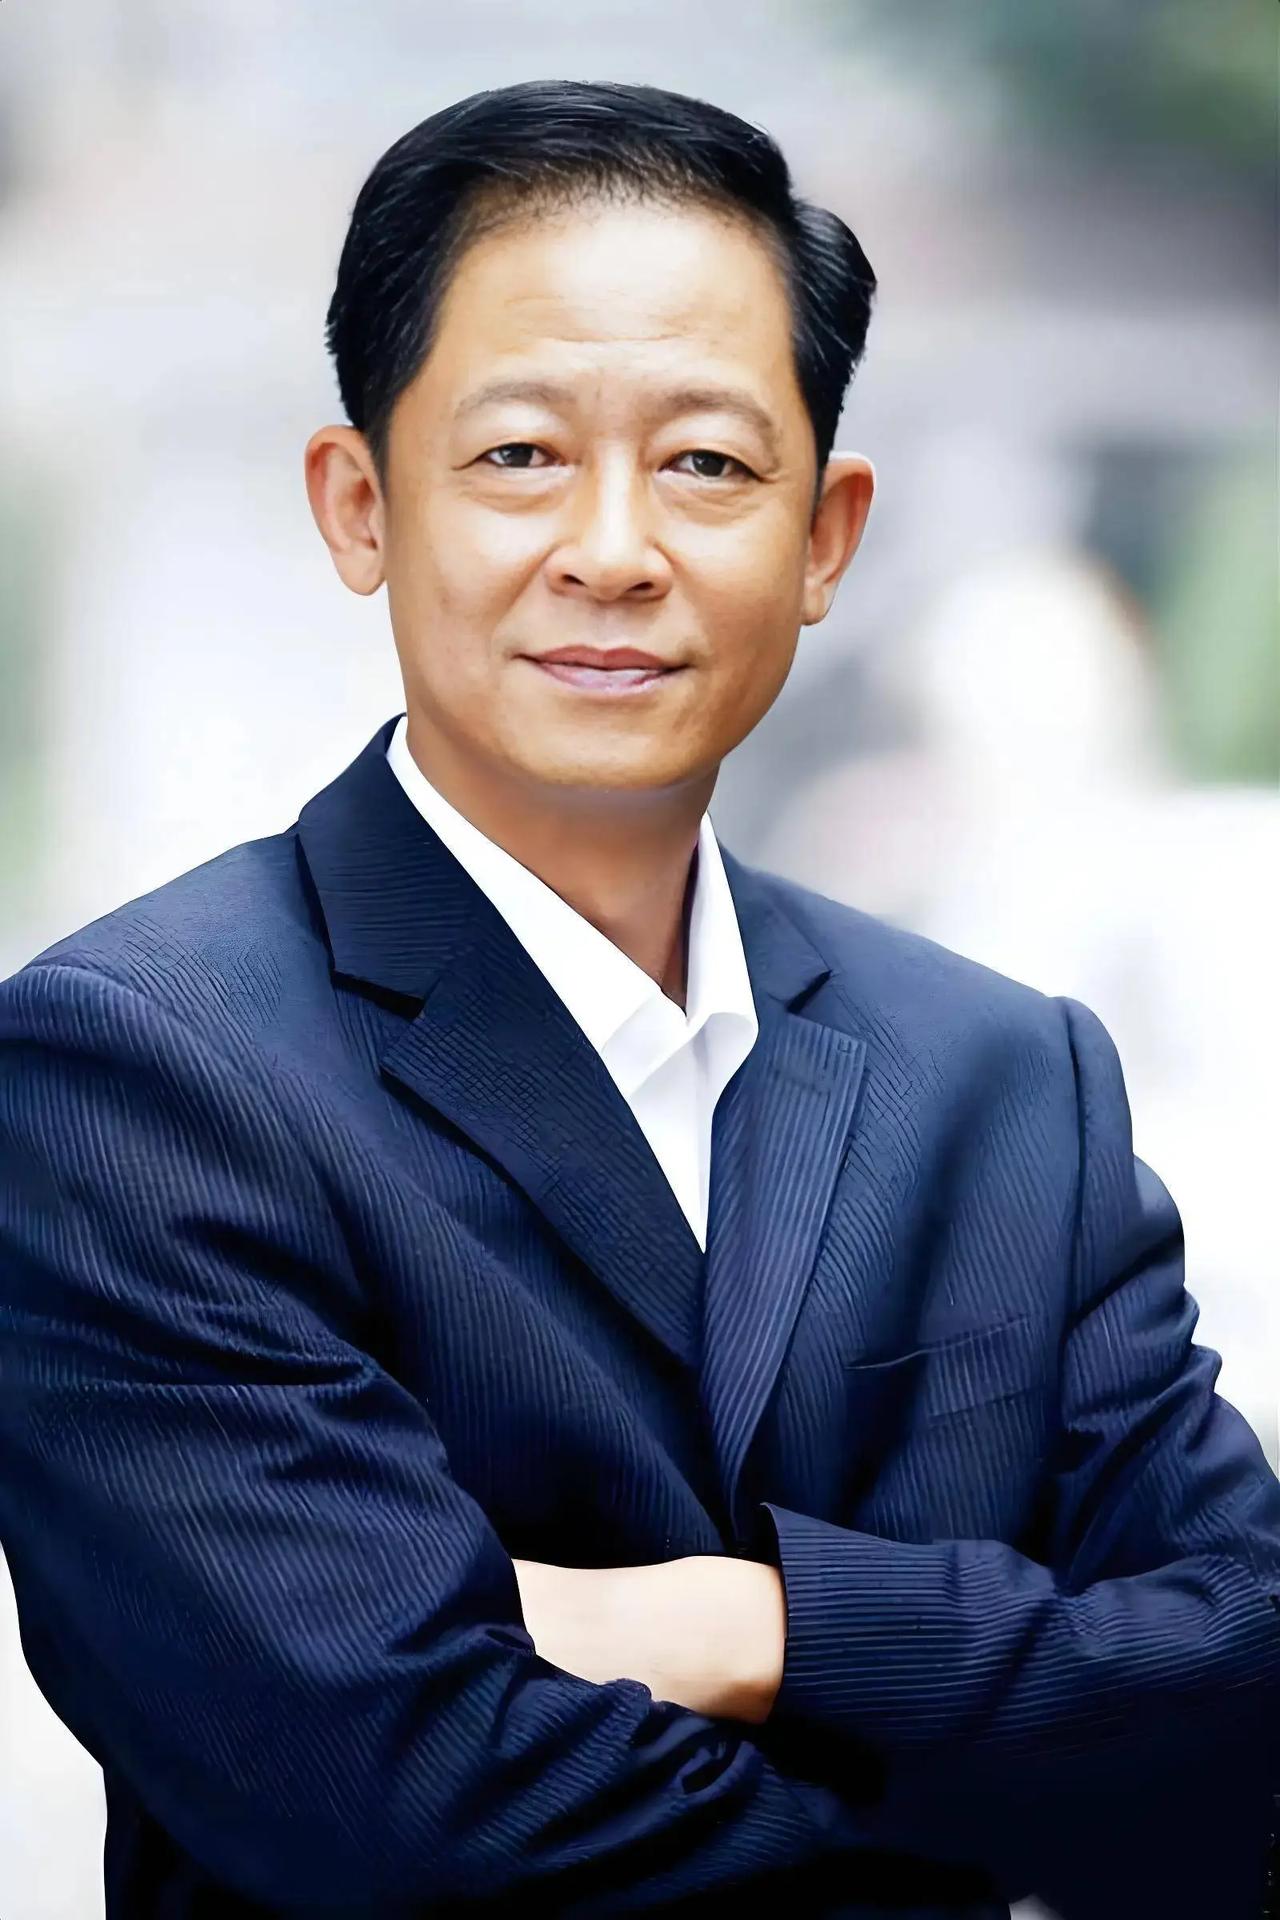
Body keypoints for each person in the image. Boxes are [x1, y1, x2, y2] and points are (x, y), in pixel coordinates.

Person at [0, 79, 1275, 1920]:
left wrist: (763, 1626)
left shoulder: (1006, 1077)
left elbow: (1243, 1703)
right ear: (359, 505)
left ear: (826, 537)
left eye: (708, 466)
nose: (614, 548)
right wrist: (1010, 1784)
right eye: (521, 454)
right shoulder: (135, 1073)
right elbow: (406, 1809)